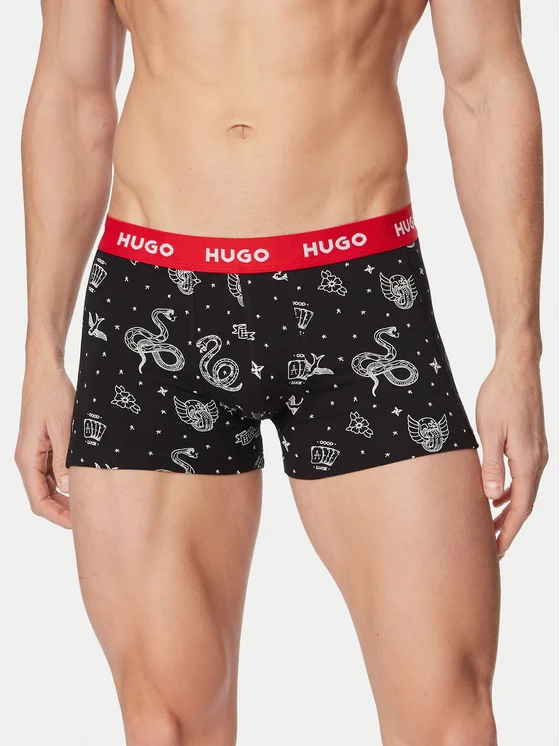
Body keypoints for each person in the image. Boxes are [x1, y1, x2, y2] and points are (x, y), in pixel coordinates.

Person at [16, 0, 547, 744]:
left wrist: (518, 350)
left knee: (450, 718)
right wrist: (41, 351)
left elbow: (483, 82)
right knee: (165, 722)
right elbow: (72, 93)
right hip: (155, 299)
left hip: (359, 292)